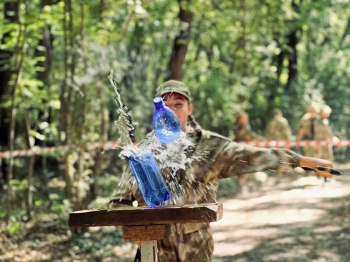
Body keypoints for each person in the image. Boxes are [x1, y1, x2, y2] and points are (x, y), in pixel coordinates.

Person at [109, 80, 335, 262]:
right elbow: (119, 201)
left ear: (190, 108)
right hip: (156, 249)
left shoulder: (209, 146)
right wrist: (137, 232)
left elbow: (253, 155)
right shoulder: (145, 153)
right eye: (165, 105)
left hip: (196, 246)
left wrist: (302, 160)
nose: (171, 111)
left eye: (178, 104)